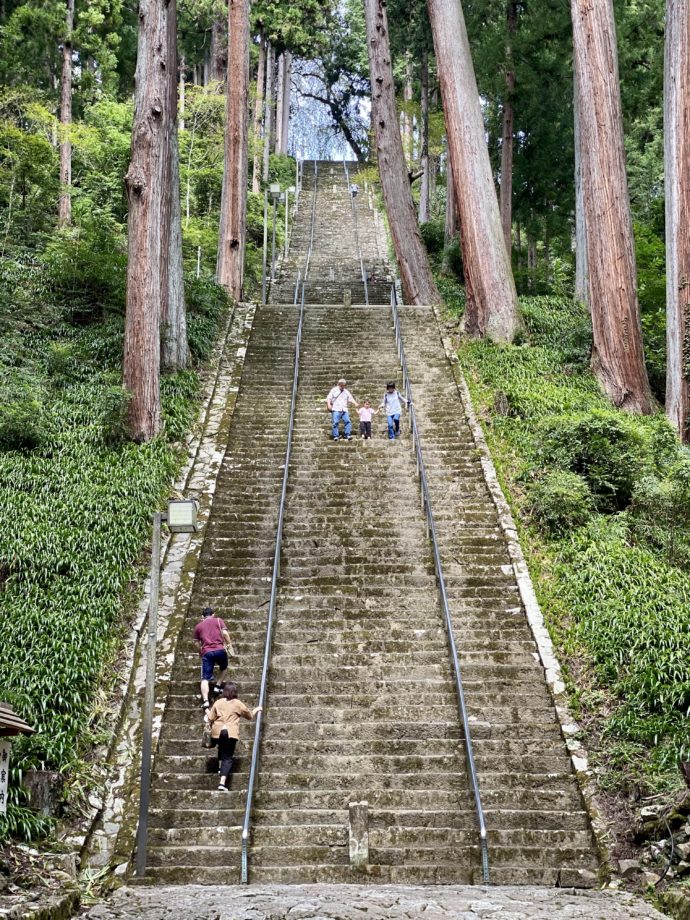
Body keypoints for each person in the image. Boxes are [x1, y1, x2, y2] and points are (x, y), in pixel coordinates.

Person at [207, 683, 262, 792]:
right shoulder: (237, 703)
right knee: (227, 756)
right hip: (230, 731)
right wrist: (257, 709)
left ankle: (220, 767)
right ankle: (222, 783)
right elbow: (249, 716)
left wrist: (207, 710)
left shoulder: (218, 702)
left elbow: (210, 718)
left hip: (217, 731)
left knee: (221, 746)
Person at [193, 606, 231, 715]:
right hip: (220, 650)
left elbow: (196, 643)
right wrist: (229, 644)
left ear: (202, 617)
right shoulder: (219, 621)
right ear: (213, 614)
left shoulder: (198, 626)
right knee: (224, 668)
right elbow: (225, 634)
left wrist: (201, 651)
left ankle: (205, 701)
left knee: (205, 678)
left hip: (207, 652)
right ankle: (218, 686)